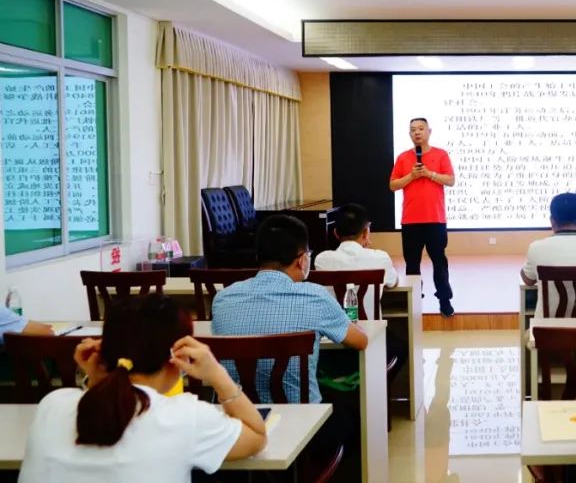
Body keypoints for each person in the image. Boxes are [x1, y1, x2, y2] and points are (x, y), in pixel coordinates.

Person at [19, 295, 266, 483]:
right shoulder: (186, 416)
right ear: (178, 356)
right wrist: (217, 375)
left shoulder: (52, 404)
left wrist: (95, 378)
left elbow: (109, 403)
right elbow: (256, 436)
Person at [212, 214, 369, 404]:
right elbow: (360, 341)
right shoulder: (315, 296)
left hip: (237, 414)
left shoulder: (222, 299)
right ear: (302, 260)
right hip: (302, 415)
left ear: (258, 256)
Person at [314, 203, 406, 381]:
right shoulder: (380, 257)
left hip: (334, 341)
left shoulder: (322, 260)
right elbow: (393, 282)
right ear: (365, 232)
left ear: (336, 233)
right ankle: (378, 385)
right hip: (372, 338)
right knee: (401, 347)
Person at [389, 117, 456, 317]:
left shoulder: (441, 154)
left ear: (429, 131)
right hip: (411, 221)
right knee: (412, 263)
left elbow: (451, 180)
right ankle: (414, 300)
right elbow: (393, 185)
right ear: (409, 134)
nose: (417, 132)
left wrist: (429, 174)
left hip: (435, 219)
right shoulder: (403, 157)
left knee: (439, 262)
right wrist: (411, 176)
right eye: (413, 130)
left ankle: (444, 300)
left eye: (420, 128)